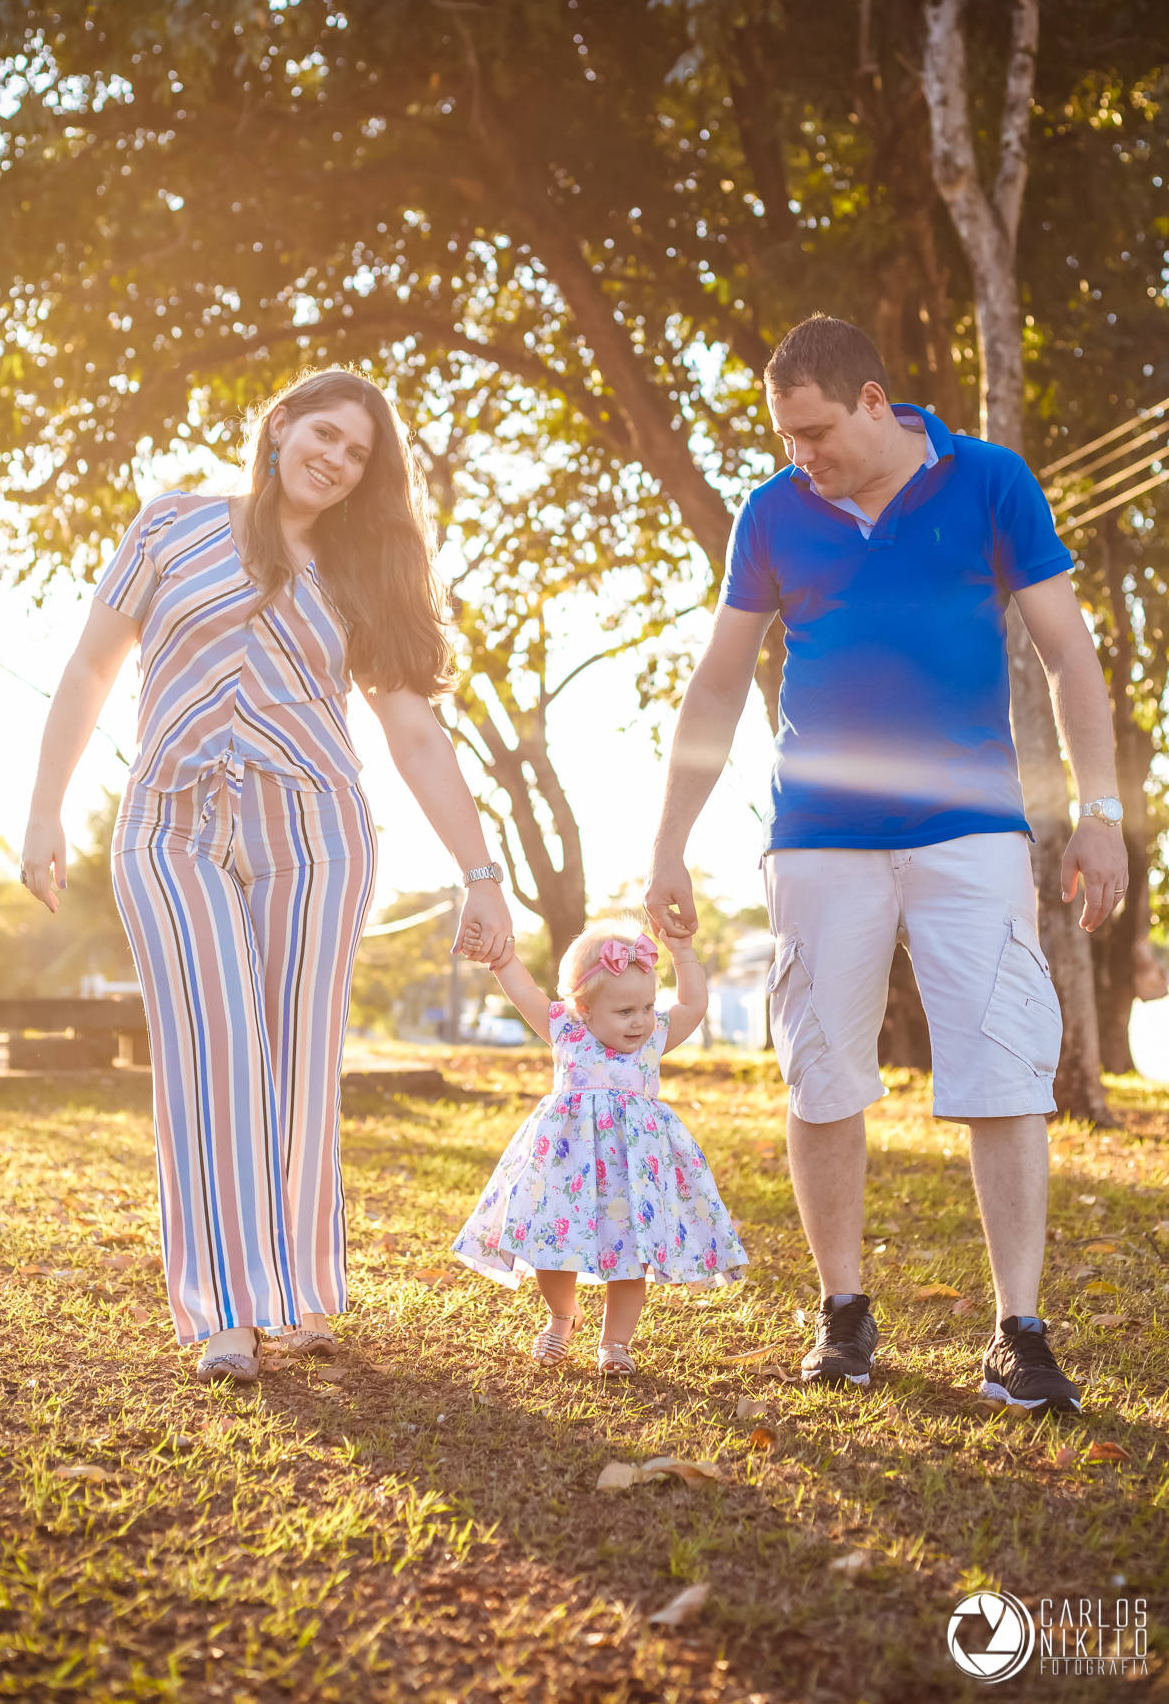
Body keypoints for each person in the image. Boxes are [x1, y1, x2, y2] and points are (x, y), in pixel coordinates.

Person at [645, 315, 1128, 1417]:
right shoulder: (772, 512)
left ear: (872, 401)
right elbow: (718, 683)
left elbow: (1069, 655)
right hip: (816, 835)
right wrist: (668, 840)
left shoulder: (989, 482)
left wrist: (1096, 812)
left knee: (1003, 1070)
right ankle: (842, 1314)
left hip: (971, 829)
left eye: (813, 430)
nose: (798, 454)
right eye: (784, 436)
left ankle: (1018, 1330)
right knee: (820, 1074)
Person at [20, 365, 513, 1382]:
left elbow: (413, 734)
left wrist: (480, 871)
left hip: (316, 832)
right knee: (214, 1046)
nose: (335, 459)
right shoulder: (170, 527)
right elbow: (88, 668)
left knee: (295, 1062)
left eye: (358, 453)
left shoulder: (362, 572)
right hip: (172, 826)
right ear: (279, 423)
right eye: (323, 434)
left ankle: (295, 1290)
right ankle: (223, 1314)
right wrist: (42, 806)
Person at [450, 920, 748, 1373]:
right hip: (567, 1169)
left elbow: (692, 1004)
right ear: (583, 1008)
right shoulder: (566, 1031)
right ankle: (562, 1316)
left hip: (633, 1175)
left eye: (647, 1006)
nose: (641, 1020)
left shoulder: (653, 1040)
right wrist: (501, 956)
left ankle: (615, 1343)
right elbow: (525, 991)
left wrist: (683, 951)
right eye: (626, 1010)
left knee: (630, 1259)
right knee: (553, 1248)